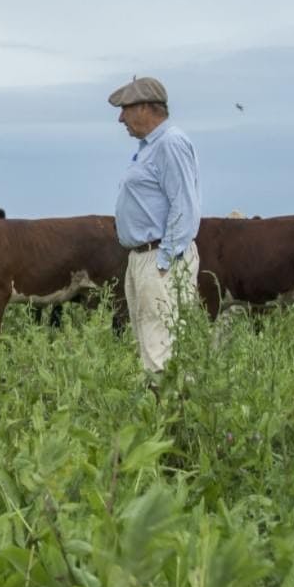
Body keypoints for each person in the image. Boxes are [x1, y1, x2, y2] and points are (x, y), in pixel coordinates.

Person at [111, 76, 201, 375]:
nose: (121, 117)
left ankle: (169, 415)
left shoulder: (170, 143)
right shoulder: (149, 147)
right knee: (151, 341)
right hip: (142, 257)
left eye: (126, 108)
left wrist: (164, 261)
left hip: (160, 256)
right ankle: (166, 413)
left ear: (147, 108)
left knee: (160, 343)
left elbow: (184, 205)